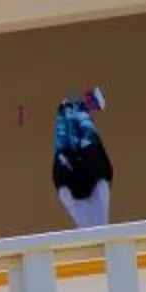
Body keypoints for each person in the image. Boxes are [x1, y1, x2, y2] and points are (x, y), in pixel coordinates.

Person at [51, 91, 112, 229]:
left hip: (74, 180)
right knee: (79, 143)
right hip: (84, 177)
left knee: (73, 144)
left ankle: (71, 110)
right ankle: (73, 110)